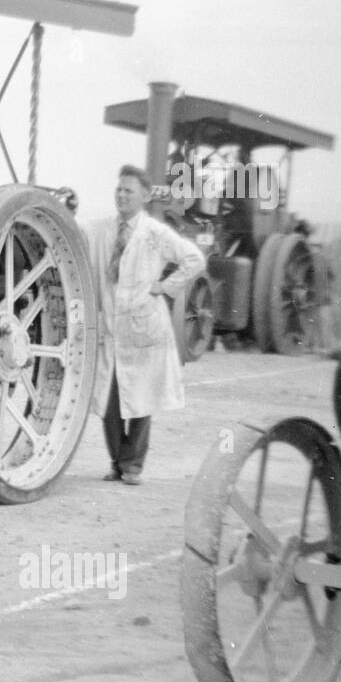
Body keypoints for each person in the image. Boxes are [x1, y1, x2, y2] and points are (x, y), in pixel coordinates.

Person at [84, 165, 205, 485]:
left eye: (129, 191)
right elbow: (76, 230)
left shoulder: (155, 232)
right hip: (110, 324)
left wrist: (164, 287)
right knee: (108, 401)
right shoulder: (102, 229)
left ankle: (133, 465)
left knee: (140, 397)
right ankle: (117, 461)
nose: (121, 196)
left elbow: (194, 259)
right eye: (119, 190)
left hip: (143, 324)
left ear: (145, 196)